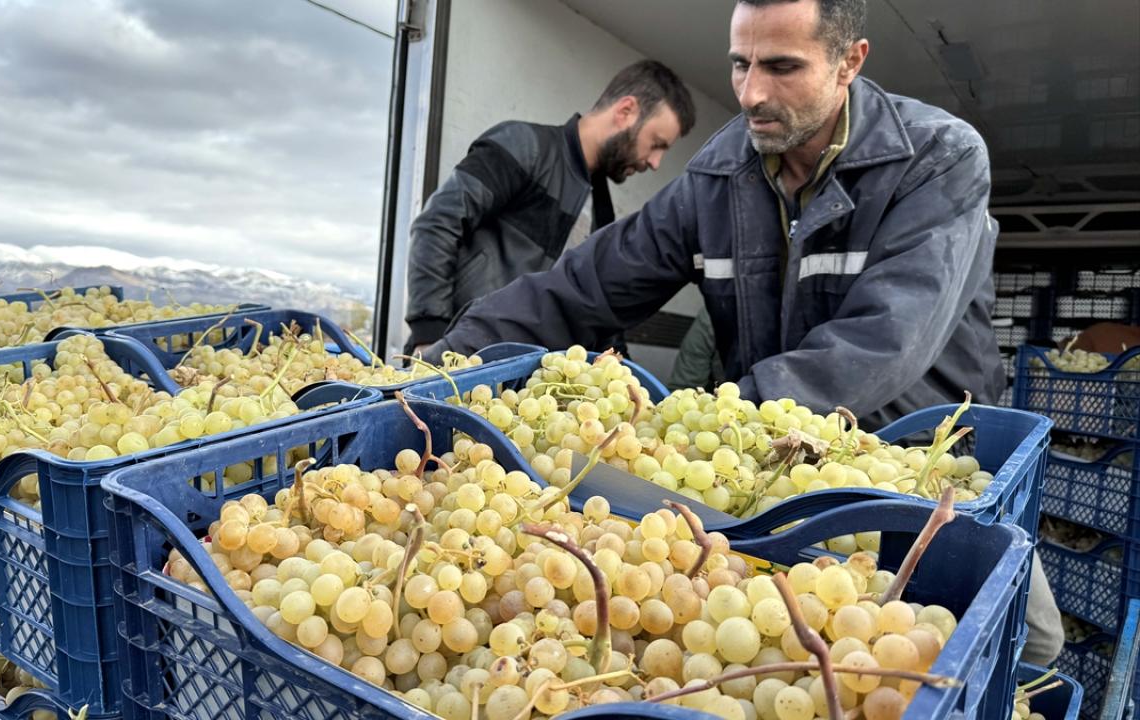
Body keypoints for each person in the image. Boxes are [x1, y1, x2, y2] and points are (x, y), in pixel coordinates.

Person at [422, 0, 1063, 664]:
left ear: (849, 62)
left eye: (782, 67)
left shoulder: (937, 157)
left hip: (914, 459)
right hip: (771, 463)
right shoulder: (717, 175)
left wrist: (720, 415)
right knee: (780, 648)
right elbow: (585, 285)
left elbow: (885, 340)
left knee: (1024, 643)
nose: (752, 92)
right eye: (740, 64)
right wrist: (444, 358)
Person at [402, 60, 697, 354]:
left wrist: (619, 366)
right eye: (656, 144)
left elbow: (600, 306)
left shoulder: (603, 213)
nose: (655, 163)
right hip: (460, 356)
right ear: (625, 111)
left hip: (531, 378)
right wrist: (430, 336)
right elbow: (438, 223)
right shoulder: (525, 146)